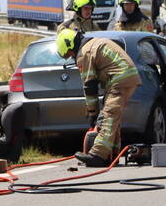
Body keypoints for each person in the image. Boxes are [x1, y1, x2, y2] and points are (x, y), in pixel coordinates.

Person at [56, 28, 139, 168]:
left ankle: (98, 155)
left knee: (108, 116)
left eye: (69, 54)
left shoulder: (84, 53)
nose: (71, 57)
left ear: (70, 45)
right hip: (125, 78)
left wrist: (92, 113)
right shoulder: (94, 43)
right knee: (114, 118)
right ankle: (112, 155)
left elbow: (89, 86)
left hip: (119, 79)